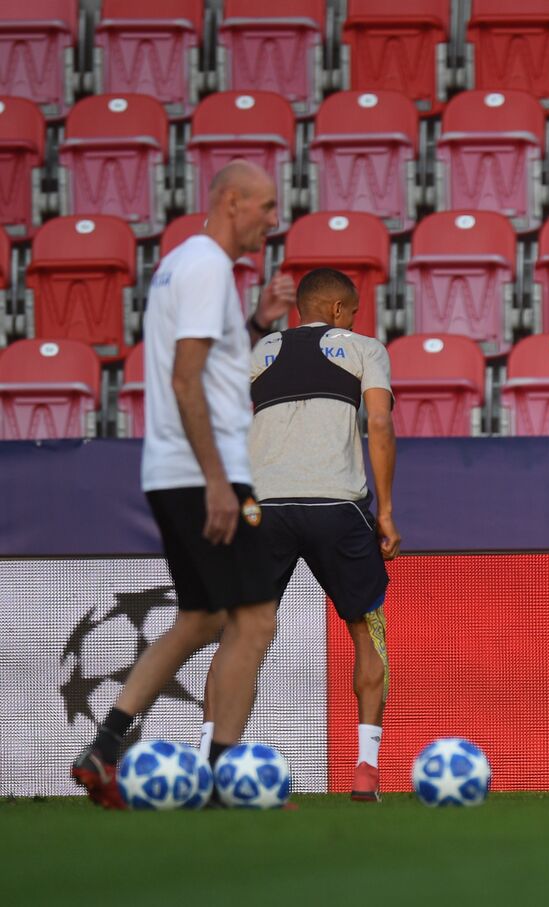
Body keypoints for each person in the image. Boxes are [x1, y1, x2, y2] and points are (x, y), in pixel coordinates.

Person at [71, 160, 290, 808]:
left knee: (202, 618)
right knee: (255, 622)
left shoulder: (179, 265)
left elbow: (207, 366)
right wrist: (219, 482)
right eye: (266, 206)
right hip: (205, 473)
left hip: (171, 469)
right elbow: (185, 378)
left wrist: (257, 325)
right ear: (229, 202)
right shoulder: (206, 267)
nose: (272, 220)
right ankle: (221, 779)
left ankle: (103, 746)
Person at [202, 267, 400, 803]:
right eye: (353, 311)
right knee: (367, 632)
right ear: (338, 311)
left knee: (241, 638)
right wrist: (384, 513)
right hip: (337, 505)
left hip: (264, 508)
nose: (356, 319)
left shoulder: (260, 350)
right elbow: (378, 425)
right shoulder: (363, 348)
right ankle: (366, 769)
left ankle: (208, 762)